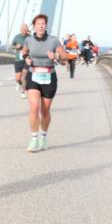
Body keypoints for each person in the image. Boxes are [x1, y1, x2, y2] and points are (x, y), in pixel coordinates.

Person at [22, 14, 68, 152]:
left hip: (49, 76)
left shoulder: (53, 41)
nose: (41, 26)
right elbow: (24, 52)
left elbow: (65, 58)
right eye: (38, 23)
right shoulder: (29, 40)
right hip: (33, 75)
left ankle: (43, 136)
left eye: (43, 23)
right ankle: (34, 139)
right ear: (34, 26)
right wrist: (26, 58)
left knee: (45, 110)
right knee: (34, 108)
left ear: (46, 26)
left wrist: (56, 56)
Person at [10, 23, 31, 98]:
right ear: (20, 29)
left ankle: (22, 91)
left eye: (25, 29)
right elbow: (11, 46)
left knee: (24, 75)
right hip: (18, 59)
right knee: (18, 78)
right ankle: (19, 83)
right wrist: (16, 46)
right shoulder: (16, 37)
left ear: (27, 30)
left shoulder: (30, 38)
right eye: (22, 29)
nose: (24, 30)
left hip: (27, 59)